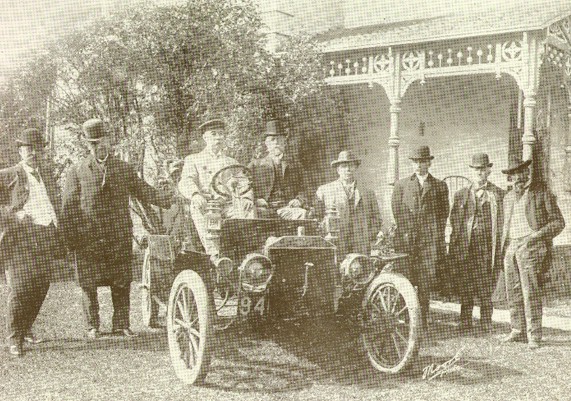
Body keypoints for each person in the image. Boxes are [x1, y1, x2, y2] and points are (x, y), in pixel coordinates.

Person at [61, 118, 172, 339]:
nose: (98, 146)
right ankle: (93, 326)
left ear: (109, 141)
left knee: (121, 281)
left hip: (118, 236)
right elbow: (68, 208)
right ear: (87, 145)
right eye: (93, 143)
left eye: (102, 141)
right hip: (87, 239)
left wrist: (168, 198)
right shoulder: (76, 171)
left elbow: (144, 191)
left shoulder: (123, 168)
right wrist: (70, 241)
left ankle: (121, 324)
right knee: (88, 284)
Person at [0, 128, 64, 356]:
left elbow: (55, 202)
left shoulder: (47, 175)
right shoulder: (7, 174)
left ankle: (26, 328)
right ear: (20, 151)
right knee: (19, 288)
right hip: (20, 239)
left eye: (38, 149)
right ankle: (14, 338)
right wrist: (14, 214)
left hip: (45, 236)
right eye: (29, 149)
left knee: (40, 286)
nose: (34, 153)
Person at [500, 158, 564, 349]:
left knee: (530, 291)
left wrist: (535, 237)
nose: (517, 178)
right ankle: (517, 329)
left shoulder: (541, 193)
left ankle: (534, 334)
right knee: (513, 290)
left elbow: (558, 223)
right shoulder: (508, 197)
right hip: (511, 246)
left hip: (532, 246)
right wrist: (504, 247)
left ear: (527, 173)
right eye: (513, 175)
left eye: (520, 173)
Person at [391, 145, 449, 330]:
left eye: (423, 161)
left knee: (424, 281)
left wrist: (434, 235)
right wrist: (406, 231)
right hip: (407, 241)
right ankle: (403, 317)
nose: (419, 165)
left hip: (428, 242)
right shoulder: (401, 185)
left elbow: (443, 213)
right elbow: (397, 210)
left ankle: (422, 319)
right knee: (405, 278)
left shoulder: (439, 186)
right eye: (416, 162)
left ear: (429, 163)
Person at [178, 119, 254, 256]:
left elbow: (244, 182)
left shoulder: (231, 162)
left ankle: (249, 253)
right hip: (207, 205)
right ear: (205, 137)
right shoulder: (194, 159)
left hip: (228, 205)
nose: (218, 137)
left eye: (221, 134)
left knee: (247, 208)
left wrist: (247, 197)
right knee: (203, 211)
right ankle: (215, 255)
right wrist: (195, 194)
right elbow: (186, 181)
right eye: (214, 134)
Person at [449, 153, 505, 333]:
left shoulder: (498, 194)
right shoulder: (461, 195)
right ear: (472, 171)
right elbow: (455, 221)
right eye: (476, 169)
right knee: (466, 286)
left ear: (489, 170)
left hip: (487, 249)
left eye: (483, 169)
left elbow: (503, 222)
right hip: (466, 248)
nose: (480, 173)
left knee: (485, 286)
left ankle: (485, 322)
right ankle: (465, 322)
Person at [315, 150, 382, 259]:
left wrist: (367, 235)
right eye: (344, 166)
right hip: (335, 243)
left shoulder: (367, 192)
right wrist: (326, 233)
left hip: (360, 245)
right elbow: (317, 218)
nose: (348, 169)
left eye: (351, 166)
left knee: (360, 273)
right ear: (338, 170)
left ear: (356, 168)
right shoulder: (325, 190)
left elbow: (377, 218)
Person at [248, 120, 308, 219]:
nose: (276, 142)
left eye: (279, 139)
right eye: (272, 139)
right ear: (266, 143)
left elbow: (305, 188)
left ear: (284, 142)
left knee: (302, 213)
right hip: (263, 207)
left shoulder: (295, 166)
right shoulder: (255, 165)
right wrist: (255, 199)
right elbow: (245, 188)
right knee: (250, 214)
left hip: (287, 208)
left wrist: (299, 200)